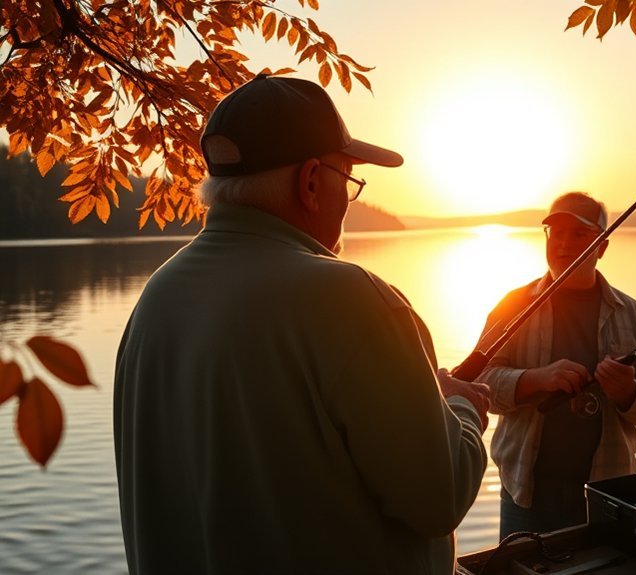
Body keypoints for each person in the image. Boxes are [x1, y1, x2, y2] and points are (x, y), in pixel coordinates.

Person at [113, 75, 489, 575]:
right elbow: (438, 499)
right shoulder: (351, 298)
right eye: (348, 179)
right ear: (311, 181)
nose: (347, 201)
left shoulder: (157, 298)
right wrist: (461, 408)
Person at [473, 192, 636, 538]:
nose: (564, 243)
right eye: (556, 232)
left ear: (602, 246)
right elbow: (480, 383)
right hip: (525, 496)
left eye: (579, 234)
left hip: (607, 498)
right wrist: (537, 379)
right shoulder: (511, 306)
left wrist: (628, 393)